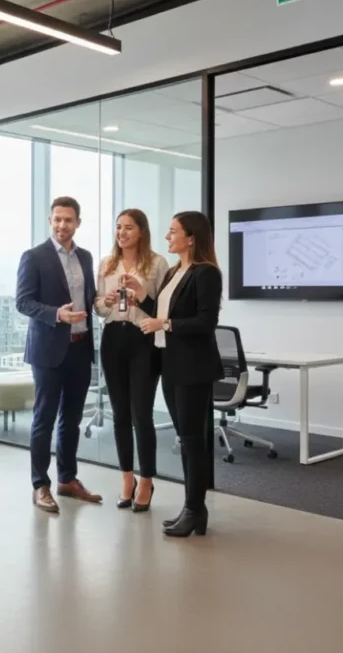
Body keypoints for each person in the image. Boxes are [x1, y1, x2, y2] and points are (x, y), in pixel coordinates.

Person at [123, 211, 222, 537]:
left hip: (194, 367)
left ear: (191, 237)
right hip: (172, 365)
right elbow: (160, 312)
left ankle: (194, 509)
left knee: (193, 441)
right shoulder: (175, 272)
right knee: (186, 439)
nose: (168, 237)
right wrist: (141, 294)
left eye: (173, 231)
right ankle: (194, 509)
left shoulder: (206, 273)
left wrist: (164, 324)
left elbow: (205, 323)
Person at [16, 196, 103, 513]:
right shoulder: (34, 257)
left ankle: (67, 479)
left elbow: (90, 298)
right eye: (57, 219)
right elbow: (23, 302)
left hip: (80, 347)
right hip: (48, 350)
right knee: (44, 419)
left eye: (68, 219)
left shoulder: (87, 257)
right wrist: (56, 314)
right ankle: (41, 484)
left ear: (78, 222)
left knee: (72, 419)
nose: (62, 225)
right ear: (50, 221)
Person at [94, 209, 169, 512]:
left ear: (141, 232)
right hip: (113, 338)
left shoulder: (157, 263)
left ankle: (147, 480)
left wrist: (140, 296)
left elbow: (163, 309)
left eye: (128, 228)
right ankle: (127, 478)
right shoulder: (107, 263)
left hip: (143, 339)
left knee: (141, 414)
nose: (121, 233)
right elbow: (98, 307)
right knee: (120, 414)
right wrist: (106, 302)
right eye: (118, 227)